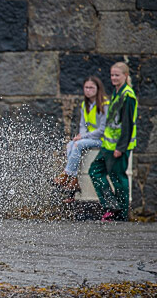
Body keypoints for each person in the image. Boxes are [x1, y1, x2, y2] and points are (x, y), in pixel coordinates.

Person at [89, 62, 138, 221]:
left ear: (125, 75)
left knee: (118, 178)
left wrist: (121, 148)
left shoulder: (127, 95)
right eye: (112, 75)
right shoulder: (117, 92)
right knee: (95, 171)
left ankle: (121, 214)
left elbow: (127, 124)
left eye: (117, 75)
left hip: (118, 146)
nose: (114, 78)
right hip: (108, 145)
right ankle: (112, 205)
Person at [54, 76, 108, 192]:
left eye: (91, 88)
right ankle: (74, 179)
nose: (88, 90)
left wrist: (83, 137)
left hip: (102, 139)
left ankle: (66, 174)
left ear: (98, 89)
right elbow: (83, 125)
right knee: (70, 144)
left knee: (78, 144)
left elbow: (102, 129)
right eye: (86, 87)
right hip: (90, 138)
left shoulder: (104, 104)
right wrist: (80, 136)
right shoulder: (85, 104)